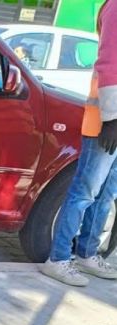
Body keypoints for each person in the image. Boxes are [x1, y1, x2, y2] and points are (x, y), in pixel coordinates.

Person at [40, 0, 117, 287]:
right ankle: (58, 259)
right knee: (85, 192)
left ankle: (86, 254)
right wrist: (111, 118)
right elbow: (109, 63)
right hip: (106, 123)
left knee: (106, 195)